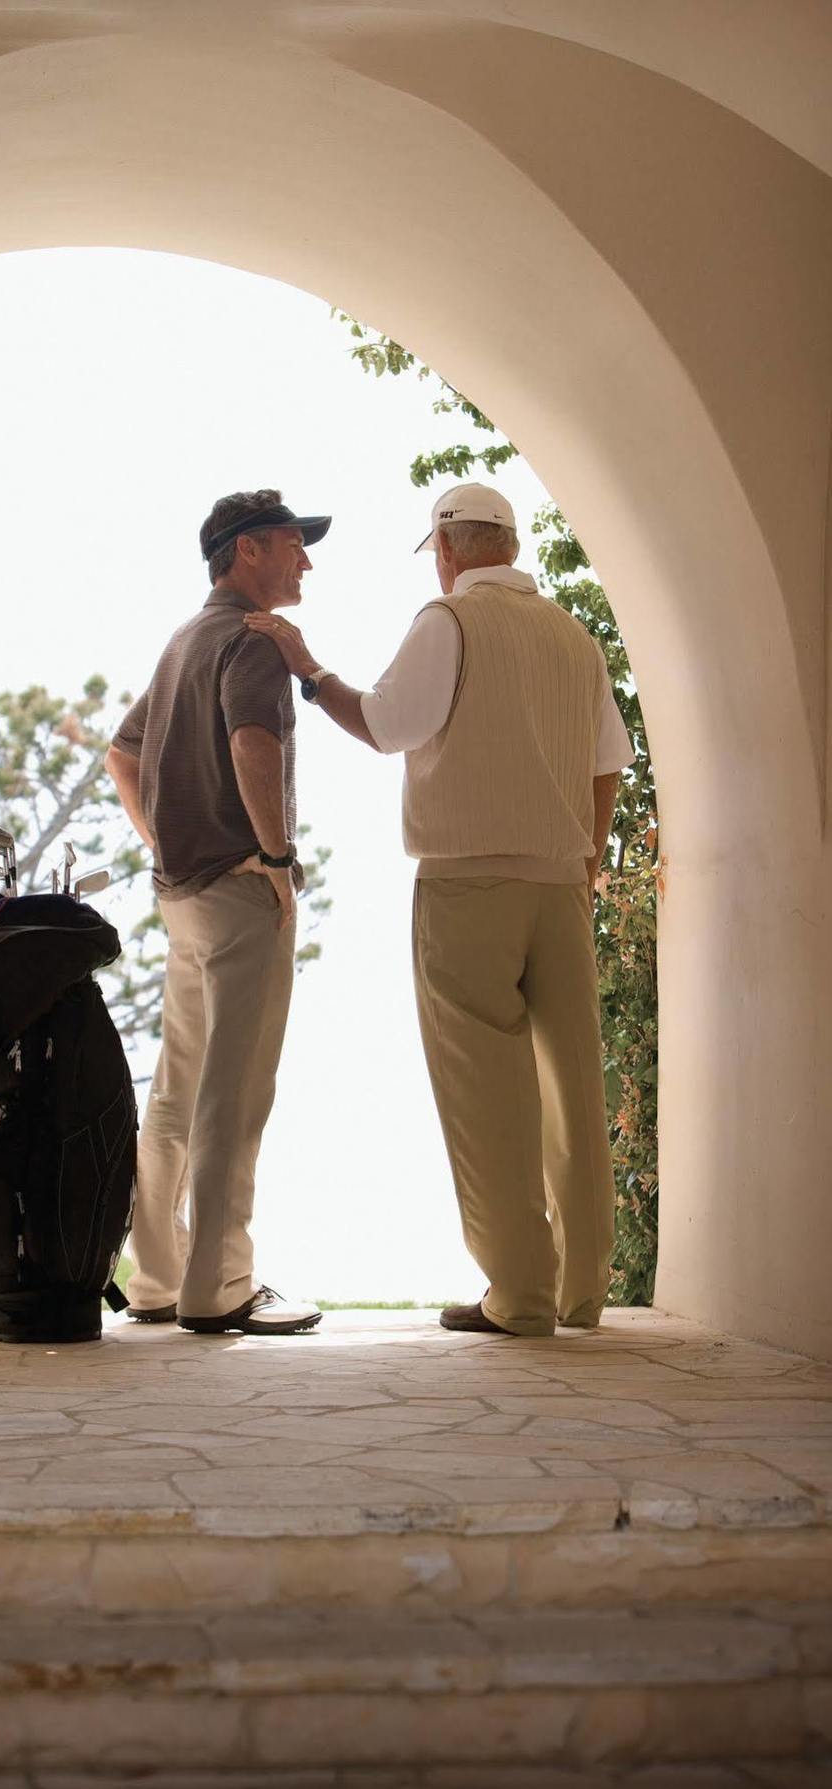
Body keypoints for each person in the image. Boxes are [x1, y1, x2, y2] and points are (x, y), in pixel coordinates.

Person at [247, 481, 634, 1337]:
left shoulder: (447, 621)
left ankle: (520, 1296)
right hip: (559, 883)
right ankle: (580, 1293)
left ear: (448, 549)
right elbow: (609, 762)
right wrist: (586, 856)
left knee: (485, 1094)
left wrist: (310, 672)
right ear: (511, 544)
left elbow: (387, 726)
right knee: (573, 1085)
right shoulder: (573, 635)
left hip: (468, 883)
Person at [104, 489, 330, 1335]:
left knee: (177, 1091)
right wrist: (274, 858)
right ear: (243, 552)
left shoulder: (182, 642)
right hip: (238, 890)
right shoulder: (252, 639)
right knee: (232, 1095)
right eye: (290, 544)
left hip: (181, 897)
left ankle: (156, 1280)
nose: (305, 560)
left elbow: (121, 753)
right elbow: (251, 742)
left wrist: (160, 841)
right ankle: (222, 1286)